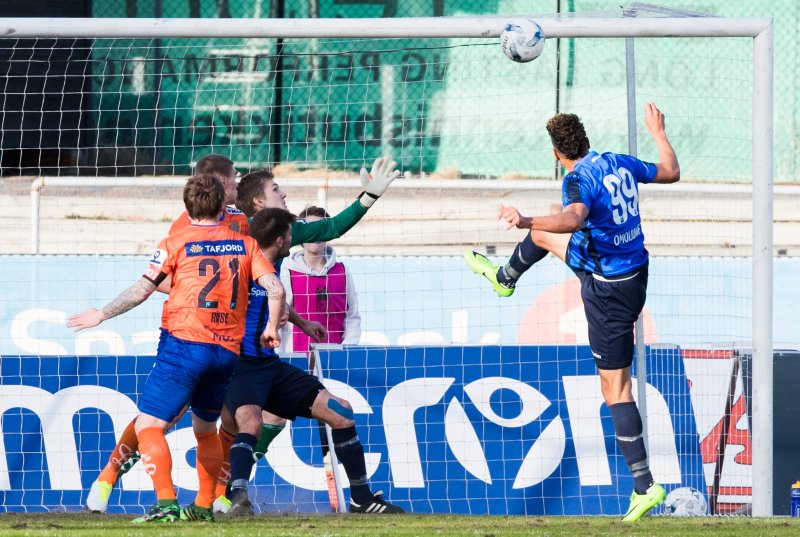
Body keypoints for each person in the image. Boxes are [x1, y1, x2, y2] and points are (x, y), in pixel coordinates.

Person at [464, 103, 680, 522]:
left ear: (556, 153)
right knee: (542, 235)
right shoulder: (615, 160)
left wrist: (525, 217)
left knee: (615, 389)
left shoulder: (577, 179)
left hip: (608, 290)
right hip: (632, 270)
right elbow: (670, 171)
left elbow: (574, 217)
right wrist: (657, 132)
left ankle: (645, 486)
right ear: (585, 139)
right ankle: (505, 278)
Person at [69, 173, 286, 523]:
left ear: (188, 206)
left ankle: (167, 503)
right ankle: (202, 507)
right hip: (227, 352)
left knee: (150, 425)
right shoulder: (245, 244)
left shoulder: (176, 240)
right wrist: (271, 327)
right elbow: (275, 289)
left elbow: (144, 288)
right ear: (221, 206)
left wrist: (103, 314)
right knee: (205, 430)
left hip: (184, 344)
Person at [209, 157, 399, 511]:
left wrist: (369, 196)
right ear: (259, 204)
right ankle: (230, 497)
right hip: (235, 361)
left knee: (340, 411)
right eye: (277, 190)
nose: (285, 194)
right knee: (243, 422)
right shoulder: (231, 238)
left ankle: (361, 501)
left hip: (268, 361)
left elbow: (331, 230)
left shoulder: (284, 232)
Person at [279, 205, 361, 353]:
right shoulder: (287, 273)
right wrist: (283, 355)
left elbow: (352, 317)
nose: (315, 235)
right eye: (311, 230)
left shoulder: (342, 272)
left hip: (336, 360)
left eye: (320, 229)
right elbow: (279, 318)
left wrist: (347, 351)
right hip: (298, 361)